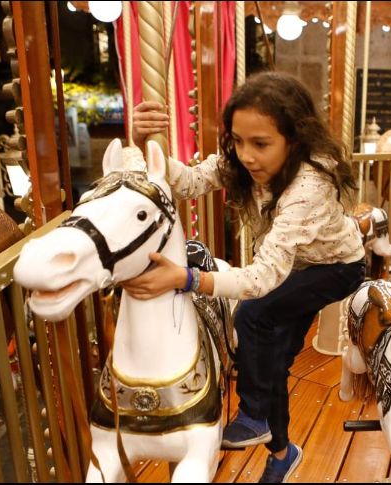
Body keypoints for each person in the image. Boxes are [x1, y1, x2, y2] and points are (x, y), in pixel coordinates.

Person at [123, 71, 366, 483]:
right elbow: (186, 182)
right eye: (237, 141)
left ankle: (254, 415)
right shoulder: (240, 163)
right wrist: (142, 140)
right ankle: (282, 453)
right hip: (294, 268)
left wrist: (188, 279)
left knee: (252, 315)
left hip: (335, 268)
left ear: (295, 139)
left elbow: (260, 279)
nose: (247, 155)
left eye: (260, 144)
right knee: (271, 362)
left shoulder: (309, 185)